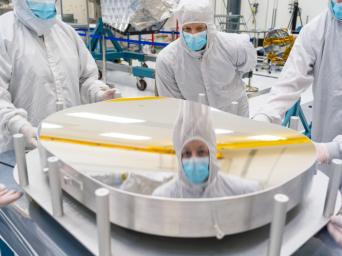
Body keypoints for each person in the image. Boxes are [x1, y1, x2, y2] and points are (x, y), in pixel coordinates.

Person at [253, 0, 342, 249]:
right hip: (327, 160)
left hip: (328, 151)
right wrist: (265, 117)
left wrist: (333, 149)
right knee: (327, 220)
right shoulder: (318, 29)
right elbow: (289, 81)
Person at [0, 0, 116, 153]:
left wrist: (98, 93)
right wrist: (19, 125)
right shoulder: (4, 33)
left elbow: (86, 78)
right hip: (22, 149)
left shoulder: (66, 32)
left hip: (70, 141)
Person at [156, 0, 257, 117]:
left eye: (199, 28)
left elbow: (248, 65)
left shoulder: (234, 46)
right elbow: (172, 104)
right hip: (195, 121)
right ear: (181, 28)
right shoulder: (167, 60)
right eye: (187, 29)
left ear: (209, 26)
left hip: (235, 113)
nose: (193, 34)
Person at [153, 101, 260, 198]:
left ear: (212, 153)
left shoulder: (241, 190)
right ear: (179, 156)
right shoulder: (164, 196)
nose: (194, 159)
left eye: (201, 152)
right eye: (187, 153)